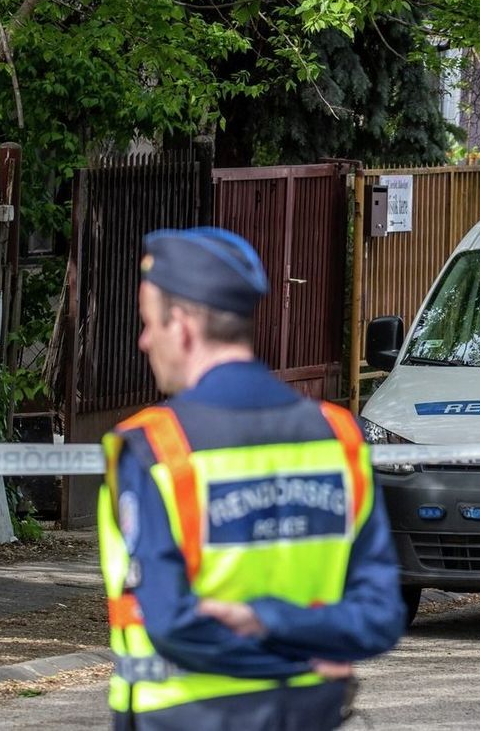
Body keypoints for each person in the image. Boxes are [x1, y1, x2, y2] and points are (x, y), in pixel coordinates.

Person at [98, 227, 408, 730]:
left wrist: (275, 649)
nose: (144, 340)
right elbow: (378, 616)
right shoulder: (337, 437)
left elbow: (171, 624)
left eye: (149, 322)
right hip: (313, 712)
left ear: (182, 325)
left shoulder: (156, 447)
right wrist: (290, 634)